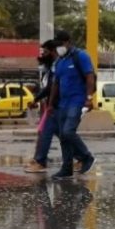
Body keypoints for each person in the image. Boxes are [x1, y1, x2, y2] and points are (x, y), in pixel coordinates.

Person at [49, 30, 96, 180]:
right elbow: (55, 84)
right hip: (63, 103)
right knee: (63, 136)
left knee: (69, 132)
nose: (59, 48)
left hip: (77, 101)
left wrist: (89, 98)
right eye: (57, 45)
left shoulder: (80, 56)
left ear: (68, 42)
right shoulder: (60, 61)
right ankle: (66, 167)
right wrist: (50, 104)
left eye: (61, 44)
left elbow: (89, 77)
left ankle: (86, 156)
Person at [25, 39, 77, 174]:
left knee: (46, 132)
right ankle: (82, 156)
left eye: (46, 52)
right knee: (61, 134)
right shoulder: (52, 66)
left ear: (53, 51)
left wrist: (38, 99)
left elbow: (51, 88)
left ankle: (40, 161)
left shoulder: (58, 65)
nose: (43, 55)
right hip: (54, 105)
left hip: (57, 105)